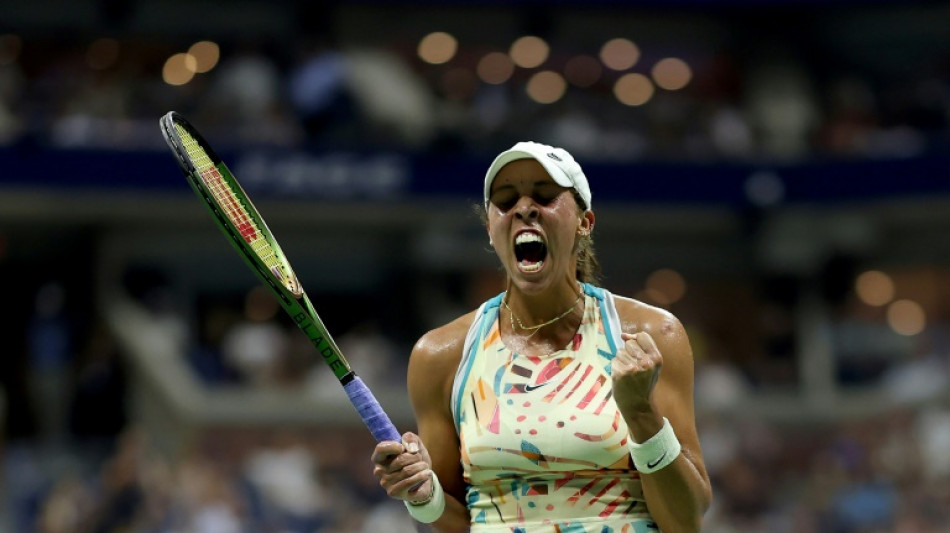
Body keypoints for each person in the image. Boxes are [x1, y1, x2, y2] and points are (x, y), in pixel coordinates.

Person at [372, 141, 712, 532]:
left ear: (585, 222)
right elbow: (455, 521)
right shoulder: (442, 354)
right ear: (490, 228)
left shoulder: (648, 336)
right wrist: (424, 498)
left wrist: (641, 414)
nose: (524, 208)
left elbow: (686, 521)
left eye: (546, 196)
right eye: (505, 200)